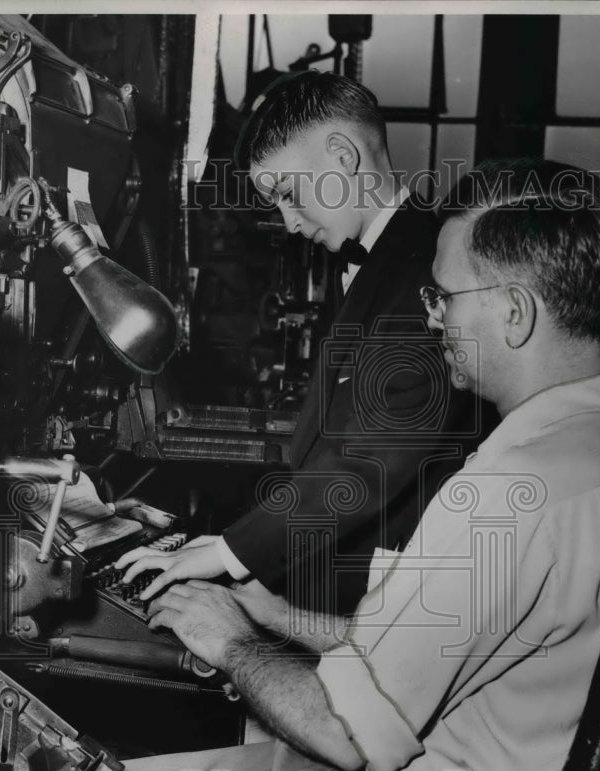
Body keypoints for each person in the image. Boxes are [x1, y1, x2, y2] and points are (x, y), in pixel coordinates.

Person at [101, 159, 600, 771]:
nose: (431, 319)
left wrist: (229, 641)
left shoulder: (509, 493)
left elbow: (345, 732)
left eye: (444, 296)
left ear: (513, 312)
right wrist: (278, 617)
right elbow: (438, 650)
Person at [117, 71, 487, 616]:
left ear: (342, 156)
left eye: (289, 194)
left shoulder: (426, 270)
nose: (289, 223)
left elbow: (367, 464)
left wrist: (231, 550)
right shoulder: (373, 261)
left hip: (385, 599)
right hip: (337, 574)